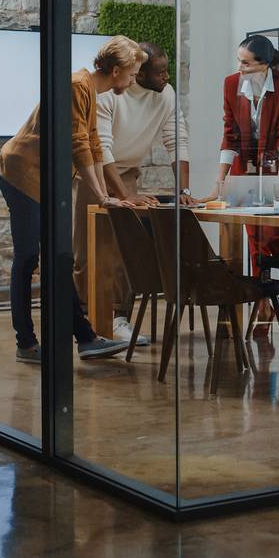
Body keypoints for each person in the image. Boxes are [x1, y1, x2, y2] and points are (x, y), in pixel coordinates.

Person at [0, 35, 144, 363]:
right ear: (117, 70)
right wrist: (103, 196)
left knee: (59, 257)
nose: (134, 81)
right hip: (23, 173)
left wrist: (112, 194)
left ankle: (86, 338)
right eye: (133, 74)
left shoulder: (90, 90)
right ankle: (27, 344)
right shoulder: (78, 85)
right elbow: (79, 145)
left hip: (44, 178)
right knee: (27, 259)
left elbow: (92, 142)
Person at [74, 42, 194, 346]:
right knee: (91, 249)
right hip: (96, 171)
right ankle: (85, 321)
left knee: (125, 249)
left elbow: (176, 139)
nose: (166, 77)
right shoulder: (110, 95)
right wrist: (120, 194)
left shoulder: (165, 95)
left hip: (127, 172)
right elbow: (100, 147)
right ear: (138, 74)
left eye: (167, 70)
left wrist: (183, 189)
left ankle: (117, 318)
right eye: (159, 72)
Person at [200, 34, 279, 279]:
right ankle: (262, 298)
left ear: (264, 64)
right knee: (254, 234)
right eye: (238, 61)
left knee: (273, 235)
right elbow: (230, 134)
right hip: (245, 168)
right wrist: (219, 184)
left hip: (278, 166)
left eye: (245, 63)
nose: (239, 68)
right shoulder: (231, 83)